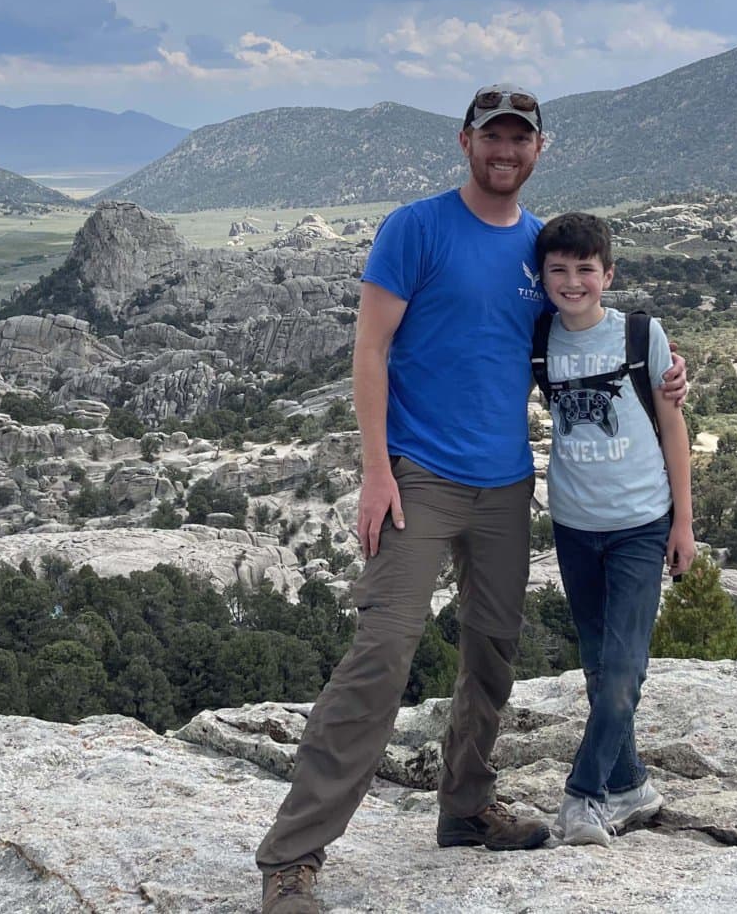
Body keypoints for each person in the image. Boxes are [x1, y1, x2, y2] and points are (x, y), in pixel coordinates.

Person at [257, 86, 688, 914]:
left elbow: (592, 332)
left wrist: (671, 375)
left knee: (492, 651)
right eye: (492, 135)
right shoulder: (415, 228)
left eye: (520, 138)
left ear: (538, 150)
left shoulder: (543, 250)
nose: (505, 149)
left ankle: (465, 804)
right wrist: (376, 468)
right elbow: (370, 349)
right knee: (383, 653)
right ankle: (292, 855)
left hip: (506, 483)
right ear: (465, 141)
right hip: (418, 475)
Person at [530, 212, 695, 846]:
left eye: (586, 269)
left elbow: (673, 426)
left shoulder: (640, 335)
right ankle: (630, 786)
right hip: (573, 524)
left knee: (625, 668)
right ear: (542, 276)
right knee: (599, 669)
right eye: (559, 270)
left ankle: (583, 796)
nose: (573, 282)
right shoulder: (538, 337)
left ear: (609, 273)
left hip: (639, 524)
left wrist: (684, 522)